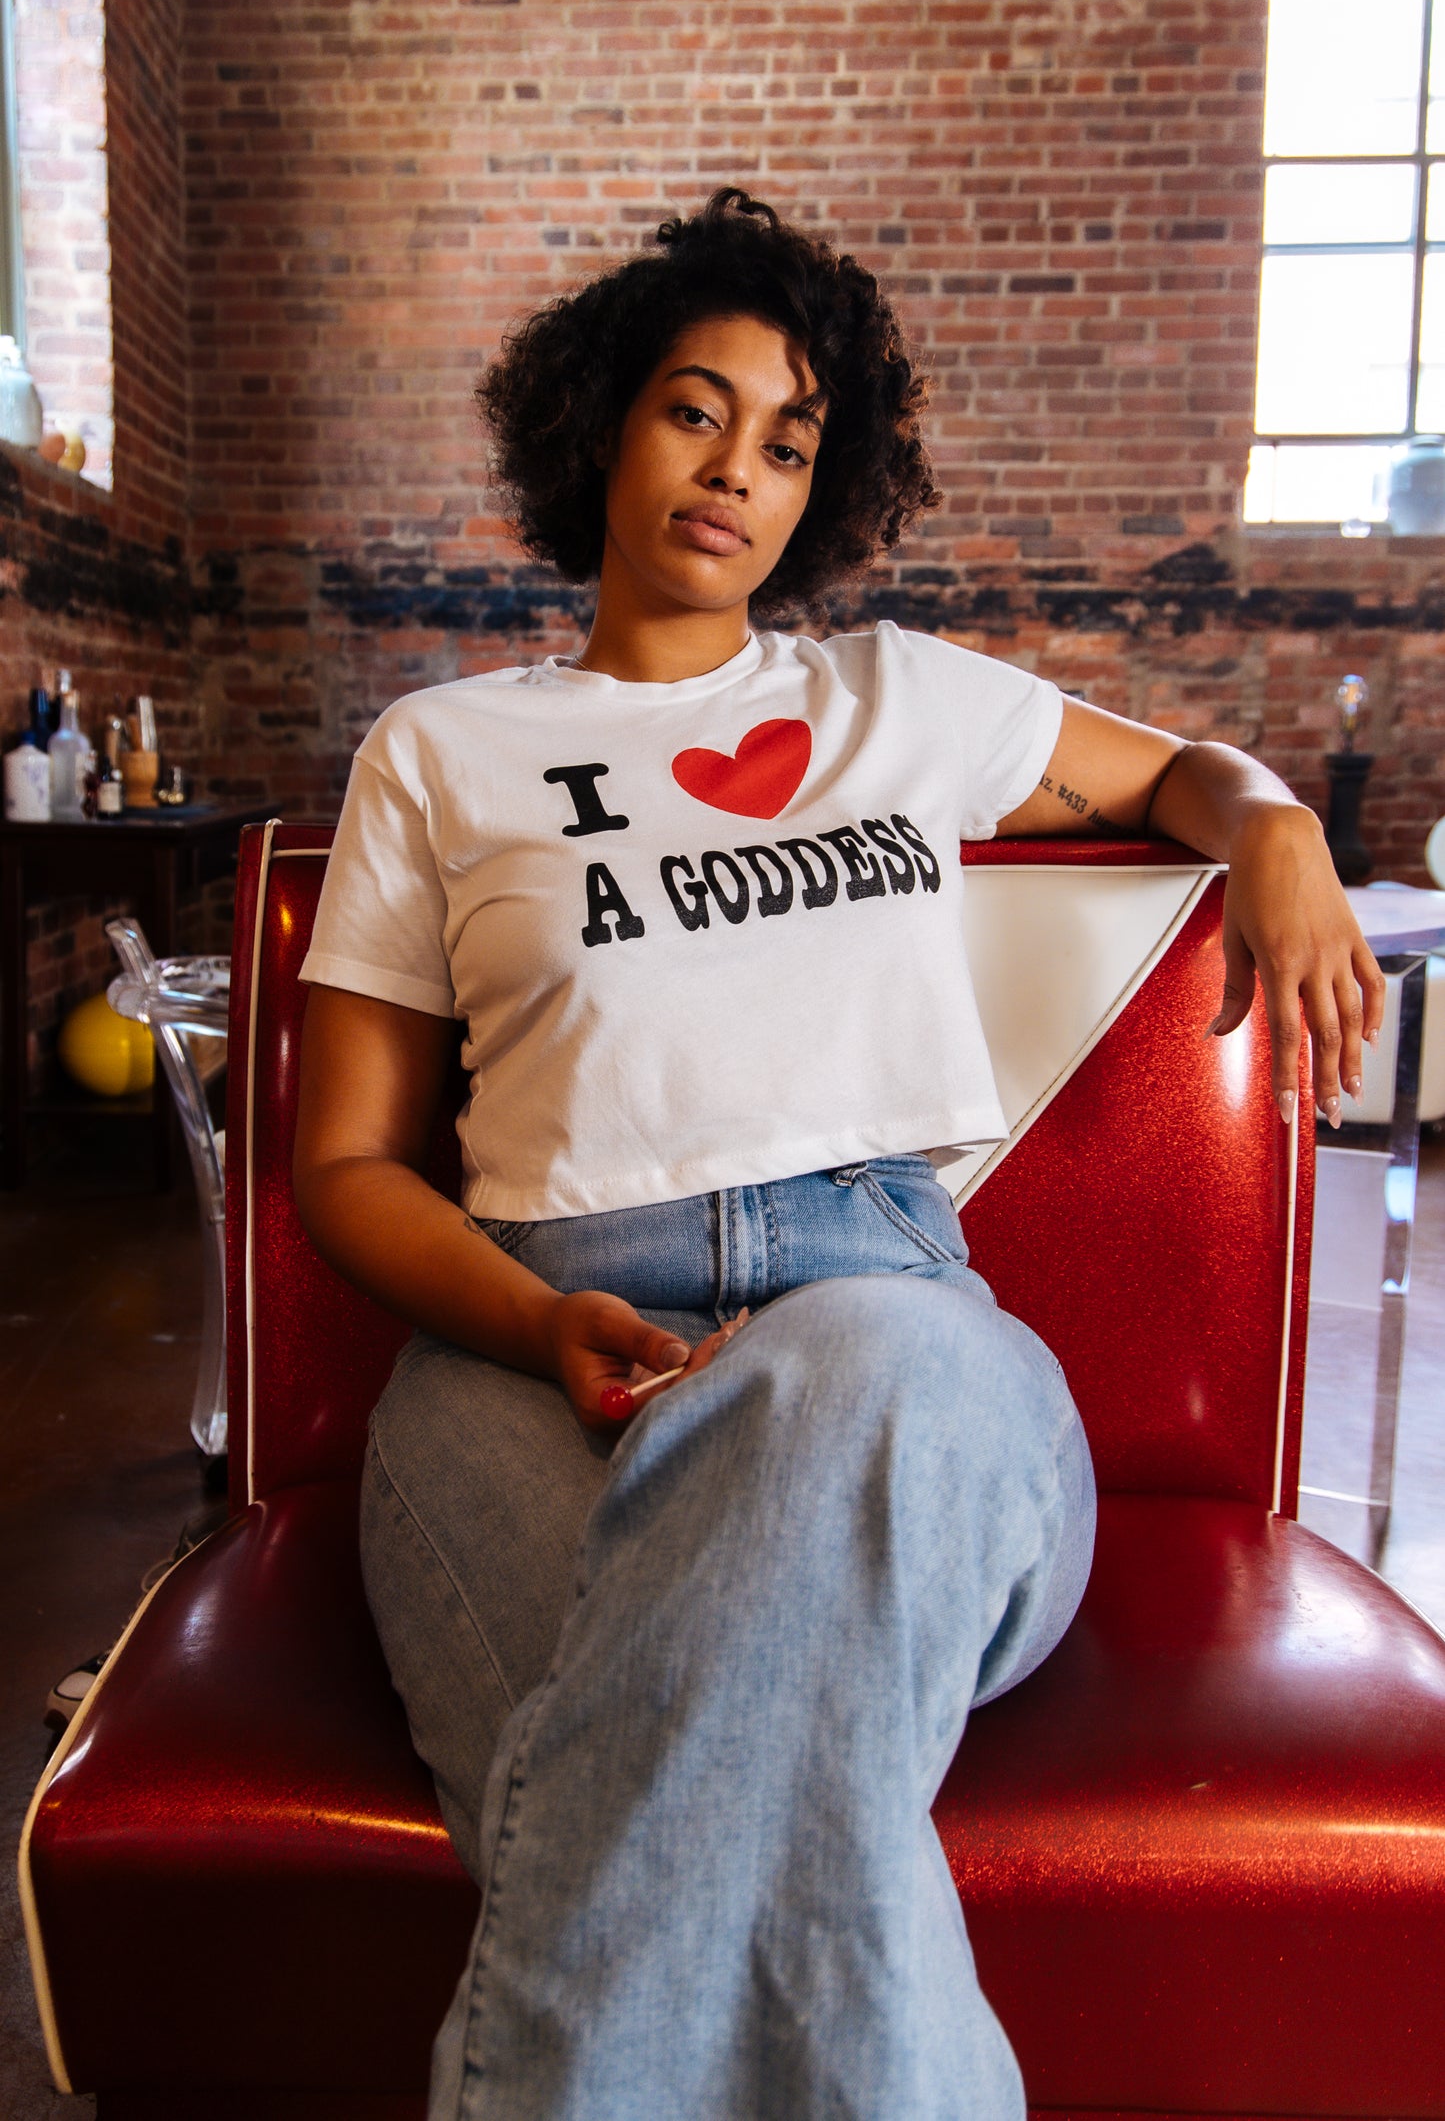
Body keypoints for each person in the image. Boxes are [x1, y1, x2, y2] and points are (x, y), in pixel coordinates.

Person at [292, 190, 1382, 2120]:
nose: (738, 470)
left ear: (826, 485)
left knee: (820, 1425)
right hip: (523, 1355)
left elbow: (1176, 775)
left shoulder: (889, 698)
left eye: (789, 441)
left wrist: (1277, 825)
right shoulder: (439, 754)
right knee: (715, 1771)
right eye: (693, 412)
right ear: (598, 430)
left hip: (893, 1340)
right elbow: (354, 1168)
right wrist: (541, 1323)